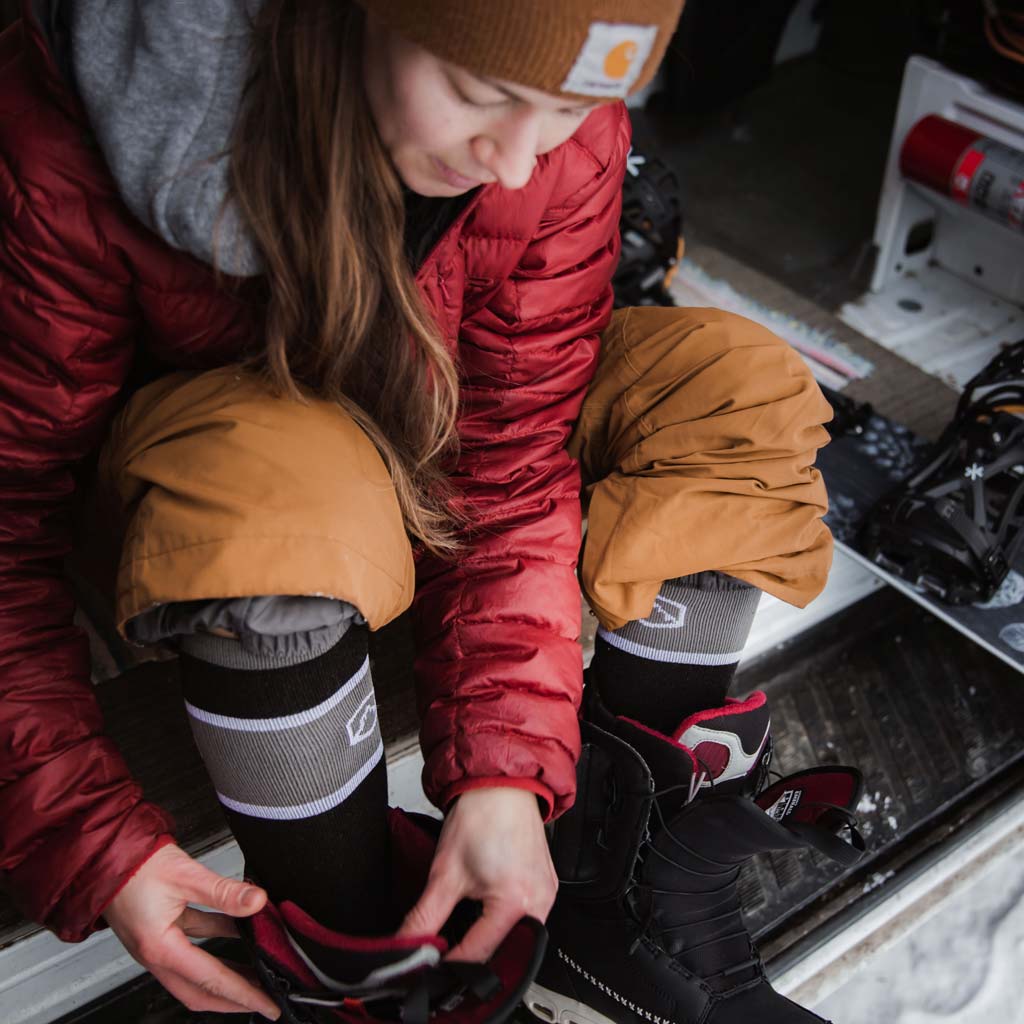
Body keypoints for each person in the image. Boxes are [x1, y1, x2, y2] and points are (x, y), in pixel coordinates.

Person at [0, 1, 843, 1022]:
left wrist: (506, 777)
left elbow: (513, 467)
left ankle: (606, 900)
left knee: (729, 386)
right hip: (212, 508)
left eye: (570, 109)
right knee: (279, 476)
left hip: (423, 433)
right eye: (483, 95)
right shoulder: (61, 138)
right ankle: (360, 961)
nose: (521, 163)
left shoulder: (543, 152)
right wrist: (97, 845)